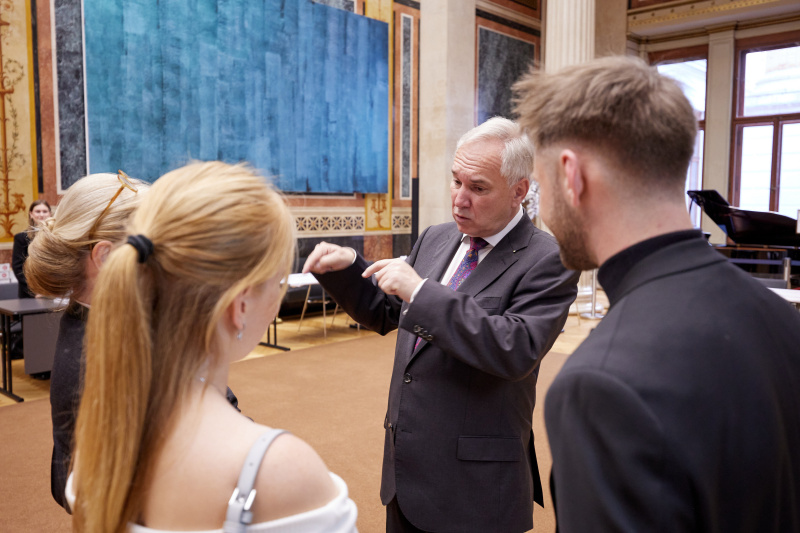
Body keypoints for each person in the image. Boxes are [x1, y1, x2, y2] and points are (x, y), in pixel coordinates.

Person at [514, 56, 800, 532]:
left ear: (571, 175)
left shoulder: (601, 385)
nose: (541, 209)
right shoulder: (782, 317)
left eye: (539, 187)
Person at [303, 117, 579, 533]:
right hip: (405, 470)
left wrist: (421, 291)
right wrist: (347, 270)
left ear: (519, 190)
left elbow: (515, 348)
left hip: (475, 487)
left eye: (478, 188)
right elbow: (386, 312)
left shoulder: (548, 258)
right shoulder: (436, 238)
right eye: (455, 182)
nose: (459, 200)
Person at [67, 162, 357, 533]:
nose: (280, 292)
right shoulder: (281, 471)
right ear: (239, 306)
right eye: (278, 281)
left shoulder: (98, 440)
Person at [25, 172, 150, 510]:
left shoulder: (106, 323)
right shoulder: (97, 356)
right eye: (153, 245)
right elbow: (72, 485)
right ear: (106, 257)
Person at [11, 199, 52, 298]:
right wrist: (35, 291)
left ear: (50, 214)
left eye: (45, 211)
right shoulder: (21, 238)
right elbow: (18, 268)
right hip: (30, 294)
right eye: (37, 211)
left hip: (53, 292)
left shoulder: (56, 237)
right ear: (31, 214)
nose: (41, 215)